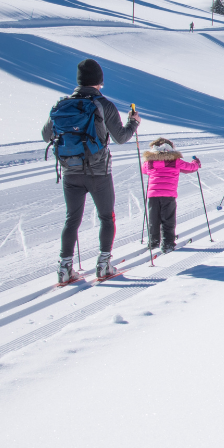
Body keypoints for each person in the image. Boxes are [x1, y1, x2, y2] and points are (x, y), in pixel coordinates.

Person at [42, 58, 139, 284]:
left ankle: (65, 268)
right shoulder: (103, 104)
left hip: (70, 171)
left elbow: (46, 136)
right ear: (99, 81)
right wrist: (133, 123)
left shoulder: (62, 105)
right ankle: (104, 265)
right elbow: (121, 137)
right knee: (106, 217)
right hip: (99, 172)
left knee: (71, 220)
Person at [141, 138, 201, 254]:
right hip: (168, 195)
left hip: (153, 195)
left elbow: (144, 171)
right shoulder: (175, 161)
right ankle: (167, 243)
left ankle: (154, 242)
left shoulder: (149, 162)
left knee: (154, 219)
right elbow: (190, 167)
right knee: (168, 220)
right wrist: (196, 163)